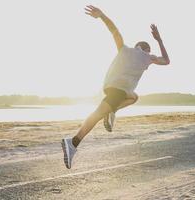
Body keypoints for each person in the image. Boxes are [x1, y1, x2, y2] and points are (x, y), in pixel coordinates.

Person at [61, 5, 170, 169]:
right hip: (118, 92)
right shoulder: (149, 57)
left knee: (133, 97)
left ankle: (110, 114)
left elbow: (115, 31)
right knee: (98, 114)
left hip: (113, 89)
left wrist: (102, 15)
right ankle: (73, 142)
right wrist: (159, 40)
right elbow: (167, 61)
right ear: (146, 49)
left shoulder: (124, 50)